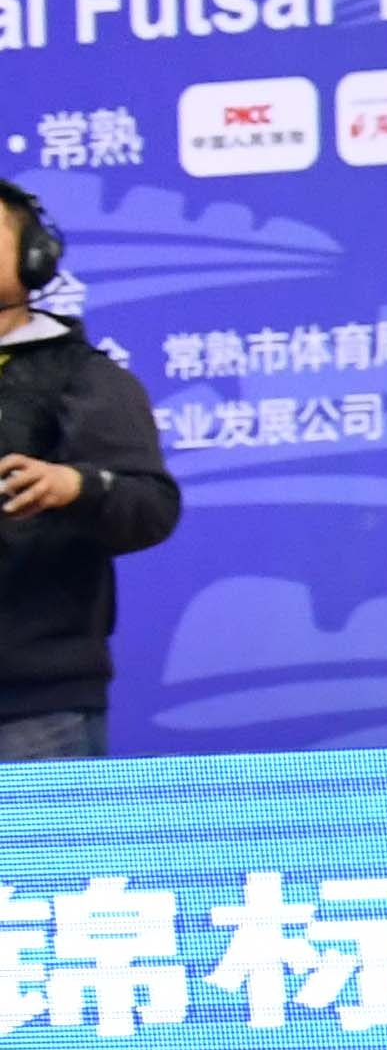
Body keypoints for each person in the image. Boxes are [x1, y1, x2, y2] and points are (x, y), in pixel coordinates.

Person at [0, 181, 178, 759]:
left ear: (35, 255)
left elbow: (150, 506)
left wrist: (75, 487)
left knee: (35, 854)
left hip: (34, 705)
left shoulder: (83, 377)